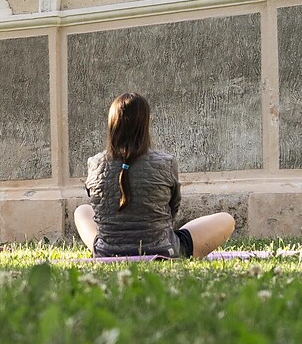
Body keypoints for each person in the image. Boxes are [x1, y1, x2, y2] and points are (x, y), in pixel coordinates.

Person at [74, 93, 236, 259]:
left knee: (82, 211)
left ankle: (103, 250)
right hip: (162, 249)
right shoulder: (166, 162)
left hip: (107, 251)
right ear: (146, 123)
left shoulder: (94, 163)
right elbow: (172, 209)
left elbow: (98, 208)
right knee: (226, 220)